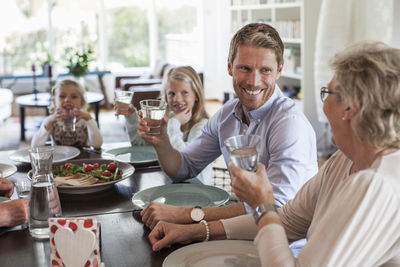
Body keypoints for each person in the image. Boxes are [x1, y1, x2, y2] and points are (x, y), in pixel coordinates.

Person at [148, 42, 400, 266]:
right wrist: (194, 231)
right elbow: (288, 220)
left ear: (349, 107)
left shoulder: (377, 184)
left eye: (328, 93)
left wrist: (262, 204)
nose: (324, 104)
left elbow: (275, 219)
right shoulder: (343, 160)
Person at [139, 23, 318, 254]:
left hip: (285, 251)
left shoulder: (289, 124)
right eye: (244, 68)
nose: (253, 81)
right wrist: (162, 141)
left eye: (265, 70)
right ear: (229, 67)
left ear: (280, 69)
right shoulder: (226, 115)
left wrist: (187, 215)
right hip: (240, 241)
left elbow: (273, 209)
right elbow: (184, 168)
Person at [114, 66, 212, 184]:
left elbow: (183, 164)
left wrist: (174, 124)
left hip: (196, 190)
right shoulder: (169, 118)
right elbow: (140, 145)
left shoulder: (203, 126)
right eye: (171, 93)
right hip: (173, 186)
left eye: (184, 92)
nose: (177, 99)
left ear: (196, 95)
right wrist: (130, 115)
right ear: (165, 96)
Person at [31, 79, 103, 148]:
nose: (67, 100)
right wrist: (48, 122)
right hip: (59, 158)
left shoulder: (85, 120)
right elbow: (35, 146)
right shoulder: (51, 121)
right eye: (62, 96)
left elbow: (97, 145)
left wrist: (89, 119)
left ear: (82, 102)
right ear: (54, 101)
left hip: (82, 158)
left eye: (74, 97)